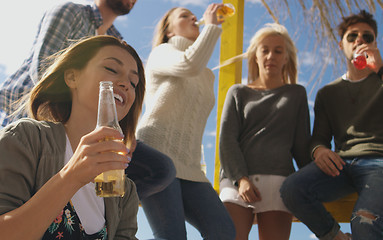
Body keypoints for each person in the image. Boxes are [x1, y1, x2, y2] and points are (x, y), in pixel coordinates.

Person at [0, 35, 144, 240]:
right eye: (111, 69)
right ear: (72, 77)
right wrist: (72, 176)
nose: (125, 83)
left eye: (133, 82)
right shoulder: (22, 140)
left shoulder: (125, 193)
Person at [0, 0, 175, 201]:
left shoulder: (116, 40)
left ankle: (106, 209)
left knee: (159, 169)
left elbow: (118, 95)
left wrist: (127, 134)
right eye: (111, 68)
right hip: (39, 110)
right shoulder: (70, 11)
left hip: (92, 126)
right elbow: (44, 69)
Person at [280, 10, 383, 240]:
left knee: (365, 221)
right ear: (341, 45)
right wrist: (319, 150)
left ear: (376, 42)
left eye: (367, 37)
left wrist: (380, 70)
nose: (360, 41)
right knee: (292, 188)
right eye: (352, 36)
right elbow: (319, 137)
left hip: (380, 163)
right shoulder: (328, 93)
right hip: (342, 164)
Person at [136, 4, 236, 240]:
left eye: (194, 15)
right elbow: (188, 64)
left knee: (223, 231)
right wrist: (211, 26)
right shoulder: (162, 52)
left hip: (190, 166)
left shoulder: (206, 74)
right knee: (171, 236)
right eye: (184, 16)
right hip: (155, 155)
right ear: (169, 31)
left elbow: (195, 64)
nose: (193, 17)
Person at [218, 23, 311, 240]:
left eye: (278, 51)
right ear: (255, 56)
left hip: (279, 183)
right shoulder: (238, 92)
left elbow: (301, 146)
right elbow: (227, 139)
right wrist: (241, 179)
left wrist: (315, 180)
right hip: (237, 181)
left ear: (287, 57)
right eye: (265, 50)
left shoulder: (297, 94)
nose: (271, 56)